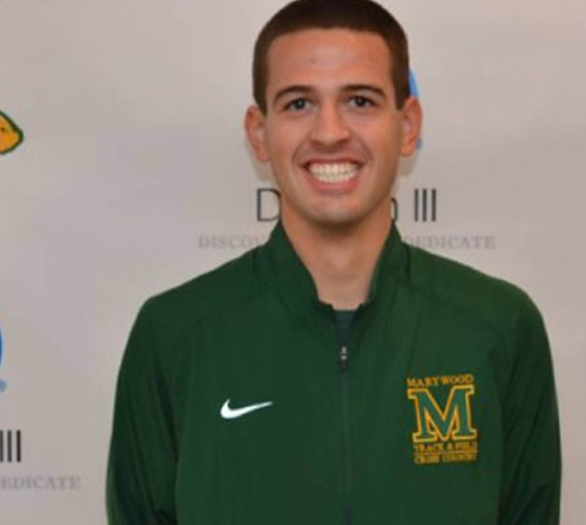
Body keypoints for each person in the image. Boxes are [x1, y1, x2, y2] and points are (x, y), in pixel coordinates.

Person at [106, 0, 561, 523]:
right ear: (259, 133)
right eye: (299, 104)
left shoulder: (498, 325)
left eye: (360, 101)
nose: (328, 133)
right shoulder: (176, 334)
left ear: (407, 125)